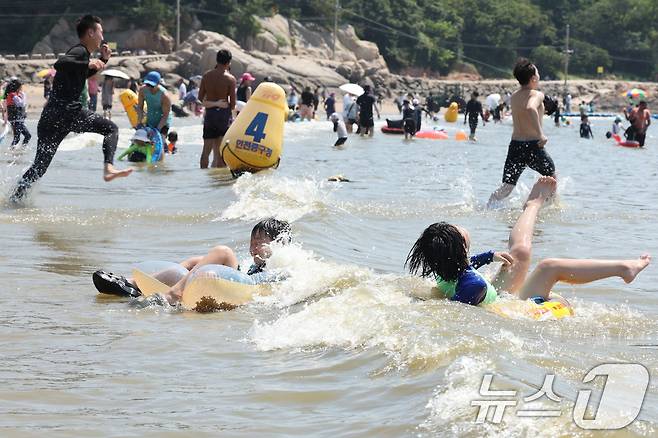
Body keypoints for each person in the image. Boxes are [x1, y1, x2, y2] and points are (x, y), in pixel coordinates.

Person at [407, 177, 650, 307]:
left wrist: (490, 256)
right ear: (460, 248)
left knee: (520, 251)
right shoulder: (472, 286)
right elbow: (460, 310)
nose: (460, 229)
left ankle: (532, 206)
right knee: (549, 266)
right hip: (509, 309)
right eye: (458, 233)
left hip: (495, 296)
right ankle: (624, 269)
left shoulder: (447, 266)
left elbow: (467, 267)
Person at [10, 15, 132, 202]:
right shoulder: (80, 51)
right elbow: (60, 63)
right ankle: (108, 167)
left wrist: (103, 60)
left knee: (39, 167)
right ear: (90, 32)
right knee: (111, 129)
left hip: (50, 117)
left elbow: (81, 74)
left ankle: (14, 199)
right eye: (100, 31)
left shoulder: (82, 55)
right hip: (68, 112)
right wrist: (89, 62)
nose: (102, 35)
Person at [92, 218, 292, 303]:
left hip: (241, 289)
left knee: (223, 251)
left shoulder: (282, 268)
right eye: (252, 242)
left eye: (260, 242)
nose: (253, 247)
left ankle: (173, 293)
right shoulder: (251, 266)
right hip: (235, 282)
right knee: (194, 261)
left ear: (279, 245)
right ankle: (133, 285)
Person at [488, 59, 556, 206]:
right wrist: (541, 134)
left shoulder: (514, 96)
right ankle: (550, 208)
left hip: (515, 146)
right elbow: (530, 108)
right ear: (533, 78)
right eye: (538, 73)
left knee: (507, 187)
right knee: (551, 177)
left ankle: (488, 206)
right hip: (532, 145)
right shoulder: (537, 95)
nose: (539, 76)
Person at [198, 49, 236, 168]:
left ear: (217, 60)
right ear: (228, 62)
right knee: (221, 153)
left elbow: (200, 98)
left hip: (210, 116)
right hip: (223, 117)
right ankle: (218, 181)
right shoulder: (230, 79)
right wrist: (223, 104)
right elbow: (233, 104)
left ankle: (202, 177)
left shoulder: (206, 75)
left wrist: (213, 103)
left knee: (205, 152)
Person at [136, 71, 173, 142]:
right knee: (144, 142)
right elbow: (140, 107)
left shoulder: (164, 96)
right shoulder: (142, 90)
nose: (149, 87)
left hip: (163, 121)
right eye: (147, 84)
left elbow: (165, 115)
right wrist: (139, 123)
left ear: (158, 84)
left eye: (152, 85)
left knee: (159, 142)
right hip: (151, 119)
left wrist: (157, 129)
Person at [4, 79, 32, 148]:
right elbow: (21, 104)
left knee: (27, 136)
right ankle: (12, 150)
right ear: (18, 87)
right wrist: (23, 95)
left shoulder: (16, 95)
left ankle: (21, 149)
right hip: (15, 120)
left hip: (18, 119)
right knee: (18, 138)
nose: (22, 88)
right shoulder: (13, 95)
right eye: (21, 86)